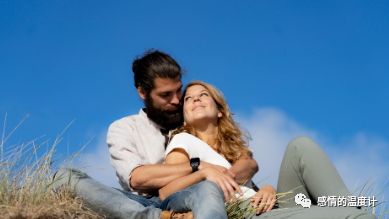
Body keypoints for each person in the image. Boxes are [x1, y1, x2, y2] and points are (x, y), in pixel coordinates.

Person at [53, 49, 259, 219]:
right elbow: (137, 179)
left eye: (179, 91)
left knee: (207, 190)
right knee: (64, 178)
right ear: (143, 93)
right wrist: (198, 167)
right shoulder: (124, 128)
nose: (177, 100)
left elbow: (236, 156)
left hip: (187, 193)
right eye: (165, 95)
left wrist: (259, 185)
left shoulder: (191, 117)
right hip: (138, 202)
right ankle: (159, 218)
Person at [156, 80, 376, 219]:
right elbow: (167, 194)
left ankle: (352, 207)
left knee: (300, 145)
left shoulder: (233, 152)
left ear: (220, 110)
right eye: (188, 98)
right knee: (354, 217)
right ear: (184, 116)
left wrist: (268, 188)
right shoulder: (182, 141)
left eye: (203, 94)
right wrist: (204, 172)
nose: (195, 98)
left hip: (271, 206)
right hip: (249, 215)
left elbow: (248, 187)